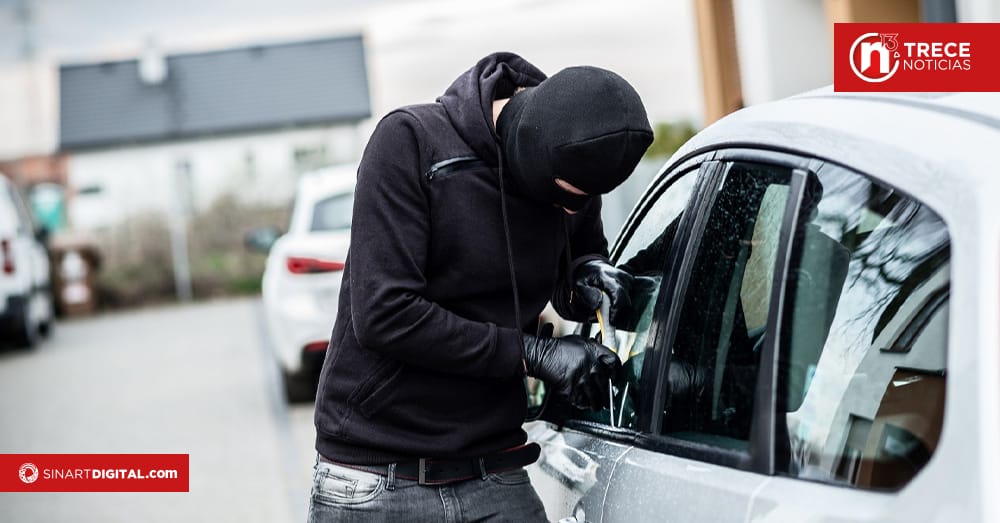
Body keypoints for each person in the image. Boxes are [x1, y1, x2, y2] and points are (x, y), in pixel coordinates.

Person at [308, 52, 653, 522]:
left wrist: (587, 274)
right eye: (568, 199)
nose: (575, 211)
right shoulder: (410, 143)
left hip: (494, 468)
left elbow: (567, 270)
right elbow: (385, 313)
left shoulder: (574, 166)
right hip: (377, 475)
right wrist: (534, 354)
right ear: (530, 156)